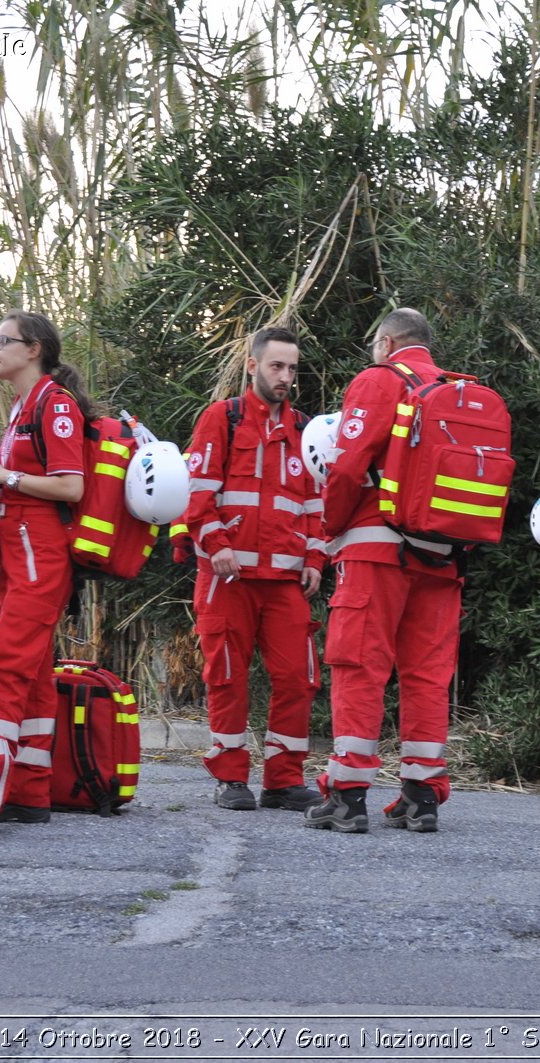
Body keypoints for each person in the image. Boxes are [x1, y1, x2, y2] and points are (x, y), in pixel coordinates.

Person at [304, 308, 465, 834]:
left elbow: (349, 465)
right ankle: (422, 797)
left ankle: (347, 795)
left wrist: (329, 526)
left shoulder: (378, 382)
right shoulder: (456, 390)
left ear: (385, 342)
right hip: (441, 555)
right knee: (427, 676)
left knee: (359, 666)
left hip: (376, 550)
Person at [0, 311, 92, 836]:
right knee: (31, 672)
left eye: (2, 341)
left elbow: (70, 488)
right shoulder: (23, 408)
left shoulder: (54, 405)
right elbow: (23, 479)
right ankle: (30, 790)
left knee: (5, 666)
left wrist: (4, 474)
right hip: (21, 551)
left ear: (33, 349)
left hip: (41, 554)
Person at [181, 327, 326, 812]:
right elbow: (196, 495)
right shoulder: (221, 419)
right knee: (226, 676)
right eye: (276, 366)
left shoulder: (307, 430)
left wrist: (315, 558)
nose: (285, 377)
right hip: (229, 578)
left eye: (291, 369)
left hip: (285, 581)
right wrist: (217, 544)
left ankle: (284, 780)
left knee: (298, 679)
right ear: (252, 365)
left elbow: (315, 504)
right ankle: (230, 776)